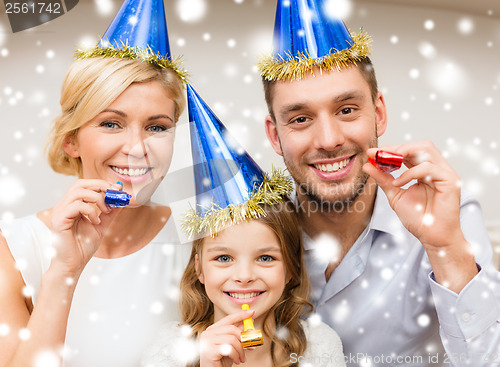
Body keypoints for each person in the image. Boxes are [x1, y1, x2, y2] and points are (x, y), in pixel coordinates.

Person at [259, 1, 500, 366]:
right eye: (301, 118)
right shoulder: (250, 230)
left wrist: (445, 248)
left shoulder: (448, 212)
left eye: (346, 110)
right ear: (275, 136)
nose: (328, 139)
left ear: (380, 112)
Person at [0, 1, 190, 366]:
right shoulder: (12, 251)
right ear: (71, 139)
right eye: (111, 123)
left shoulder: (203, 241)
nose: (137, 149)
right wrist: (63, 271)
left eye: (156, 127)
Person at [141, 199, 346, 367]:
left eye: (265, 258)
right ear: (199, 269)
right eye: (223, 258)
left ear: (290, 269)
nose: (244, 276)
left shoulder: (319, 346)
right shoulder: (170, 349)